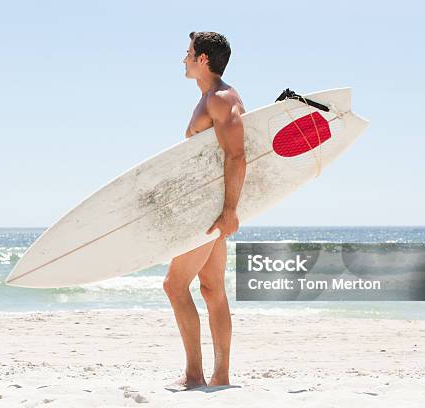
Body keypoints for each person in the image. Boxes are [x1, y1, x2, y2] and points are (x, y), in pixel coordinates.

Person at [163, 31, 246, 390]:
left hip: (209, 210)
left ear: (203, 60)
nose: (183, 58)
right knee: (212, 288)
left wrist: (229, 210)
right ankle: (221, 375)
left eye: (188, 53)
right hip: (210, 206)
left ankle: (195, 375)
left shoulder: (221, 99)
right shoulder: (211, 99)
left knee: (173, 285)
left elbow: (237, 155)